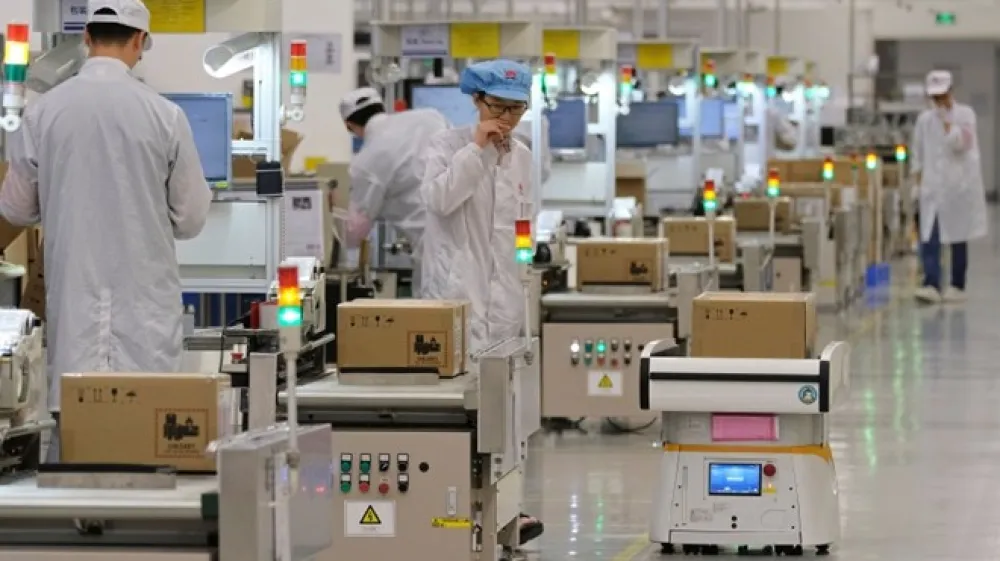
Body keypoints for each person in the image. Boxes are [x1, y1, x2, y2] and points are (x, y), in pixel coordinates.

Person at [0, 0, 212, 459]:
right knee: (150, 449)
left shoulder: (42, 114)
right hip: (146, 325)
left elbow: (15, 209)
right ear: (139, 41)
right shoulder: (165, 115)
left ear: (86, 38)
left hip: (74, 322)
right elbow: (192, 218)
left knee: (78, 450)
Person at [419, 59, 544, 547]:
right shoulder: (446, 146)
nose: (507, 119)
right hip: (457, 301)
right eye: (499, 107)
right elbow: (439, 200)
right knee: (462, 416)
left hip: (505, 303)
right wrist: (476, 149)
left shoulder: (523, 157)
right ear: (476, 100)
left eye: (517, 109)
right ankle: (455, 517)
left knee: (508, 418)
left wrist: (523, 268)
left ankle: (506, 514)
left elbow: (525, 222)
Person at [340, 87, 449, 294]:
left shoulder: (365, 162)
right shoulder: (430, 117)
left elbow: (356, 230)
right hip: (474, 231)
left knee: (438, 309)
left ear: (350, 125)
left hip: (434, 249)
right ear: (381, 107)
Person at [910, 69, 987, 304]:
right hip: (932, 188)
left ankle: (957, 284)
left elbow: (961, 144)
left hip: (957, 188)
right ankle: (931, 283)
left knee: (957, 235)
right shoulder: (924, 120)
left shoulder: (965, 115)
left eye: (942, 96)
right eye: (934, 97)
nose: (938, 102)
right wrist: (916, 183)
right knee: (929, 236)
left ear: (951, 92)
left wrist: (948, 124)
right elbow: (917, 152)